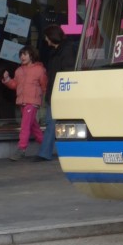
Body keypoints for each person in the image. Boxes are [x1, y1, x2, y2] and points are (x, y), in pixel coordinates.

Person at [36, 25, 77, 162]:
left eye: (47, 38)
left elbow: (67, 73)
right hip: (55, 93)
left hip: (60, 93)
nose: (46, 41)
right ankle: (47, 153)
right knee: (53, 123)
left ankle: (45, 153)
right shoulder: (57, 51)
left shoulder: (65, 50)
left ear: (52, 37)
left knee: (53, 123)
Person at [1, 46, 48, 161]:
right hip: (22, 102)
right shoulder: (18, 71)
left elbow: (44, 85)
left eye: (25, 54)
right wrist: (7, 79)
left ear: (31, 55)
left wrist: (43, 99)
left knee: (25, 125)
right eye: (21, 54)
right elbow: (15, 85)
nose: (22, 56)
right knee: (34, 126)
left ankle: (21, 149)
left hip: (32, 102)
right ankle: (46, 145)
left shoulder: (39, 70)